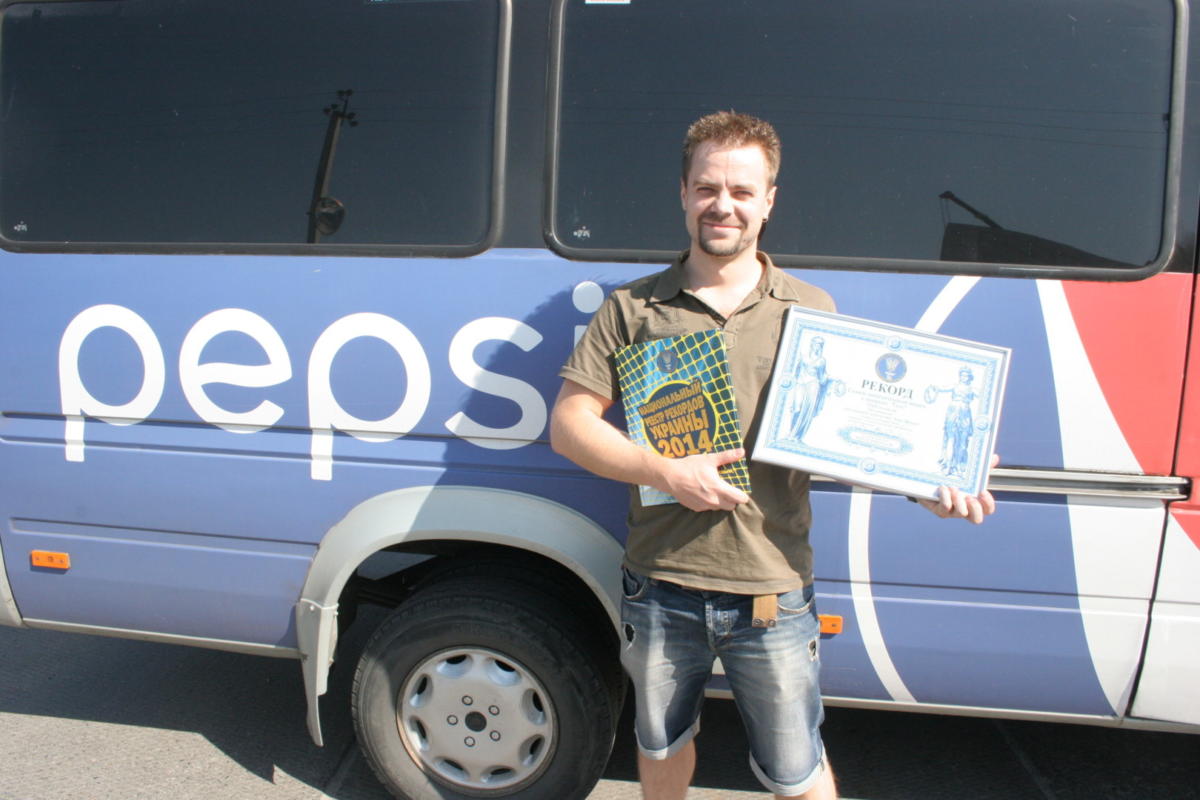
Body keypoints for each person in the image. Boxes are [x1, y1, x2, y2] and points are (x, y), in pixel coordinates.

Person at [550, 111, 995, 800]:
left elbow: (849, 437)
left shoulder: (809, 310)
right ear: (684, 193)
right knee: (662, 744)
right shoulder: (633, 308)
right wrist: (664, 471)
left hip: (773, 590)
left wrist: (926, 482)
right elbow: (569, 425)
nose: (722, 205)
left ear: (768, 201)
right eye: (707, 188)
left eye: (741, 191)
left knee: (797, 770)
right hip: (661, 585)